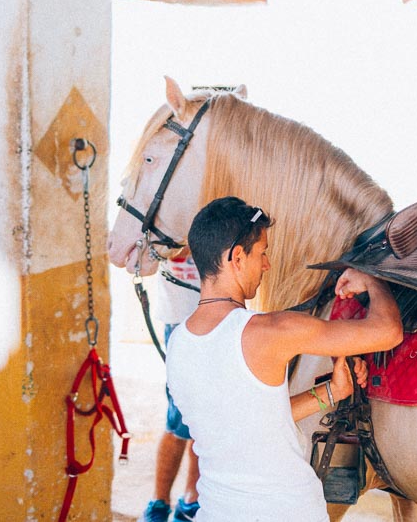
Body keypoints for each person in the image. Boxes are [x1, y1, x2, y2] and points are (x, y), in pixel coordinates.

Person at [166, 196, 403, 522]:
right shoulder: (272, 330)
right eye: (262, 253)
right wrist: (372, 280)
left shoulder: (178, 344)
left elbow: (250, 421)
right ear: (237, 257)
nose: (266, 265)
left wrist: (331, 393)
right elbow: (388, 331)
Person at [142, 254, 201, 522]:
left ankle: (191, 500)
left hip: (221, 317)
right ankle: (159, 502)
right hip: (181, 318)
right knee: (178, 421)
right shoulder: (168, 216)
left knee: (206, 422)